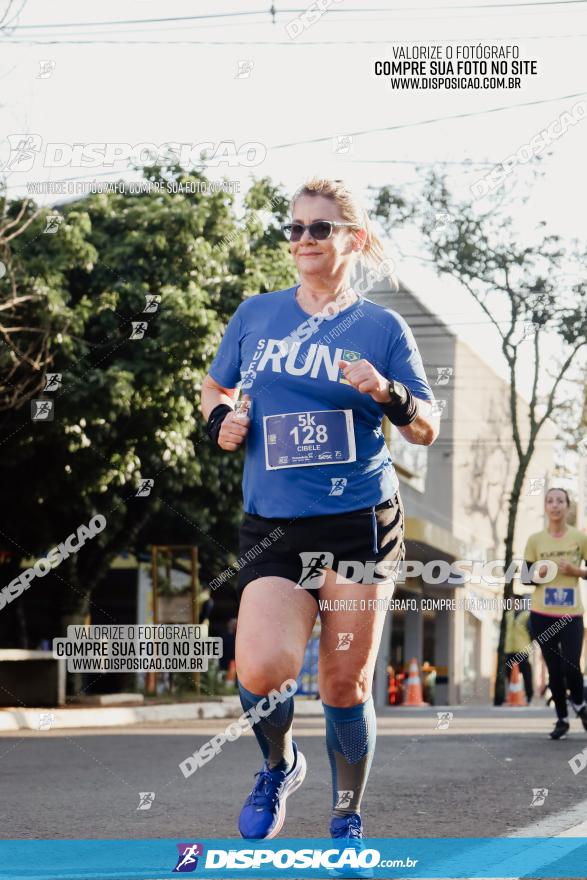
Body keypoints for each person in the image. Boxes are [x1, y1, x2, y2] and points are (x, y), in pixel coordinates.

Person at [200, 177, 438, 846]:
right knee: (259, 668)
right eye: (294, 228)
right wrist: (222, 417)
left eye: (318, 228)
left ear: (351, 240)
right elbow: (214, 385)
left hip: (357, 521)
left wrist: (387, 393)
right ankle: (279, 765)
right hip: (273, 521)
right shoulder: (256, 314)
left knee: (341, 683)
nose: (302, 239)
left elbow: (427, 426)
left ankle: (345, 814)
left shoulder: (381, 327)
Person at [523, 487, 587, 739]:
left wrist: (577, 571)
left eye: (560, 501)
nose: (555, 505)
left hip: (570, 614)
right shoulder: (535, 540)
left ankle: (580, 705)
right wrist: (536, 575)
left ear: (567, 506)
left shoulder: (579, 538)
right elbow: (526, 578)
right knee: (554, 669)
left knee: (572, 665)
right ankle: (562, 718)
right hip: (542, 614)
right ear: (545, 507)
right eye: (550, 501)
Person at [504, 596, 533, 704]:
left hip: (522, 649)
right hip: (509, 649)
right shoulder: (508, 615)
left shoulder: (526, 615)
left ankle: (529, 696)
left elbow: (532, 631)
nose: (510, 603)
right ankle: (512, 696)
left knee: (526, 673)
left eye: (512, 601)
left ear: (518, 602)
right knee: (509, 673)